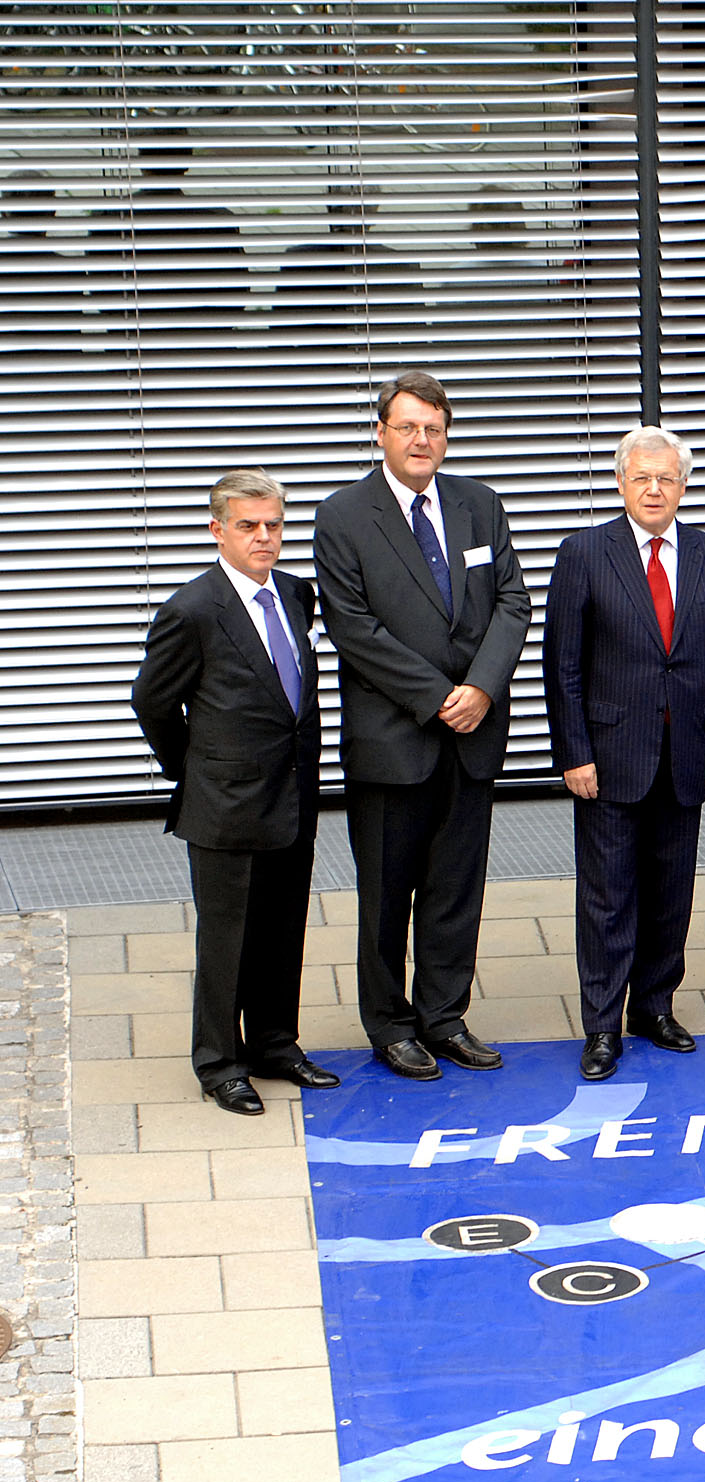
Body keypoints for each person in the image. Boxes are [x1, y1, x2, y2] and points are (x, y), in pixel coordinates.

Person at [313, 371, 531, 1082]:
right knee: (386, 896)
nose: (420, 440)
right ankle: (390, 1025)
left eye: (433, 429)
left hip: (472, 736)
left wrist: (481, 688)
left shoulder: (479, 504)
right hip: (393, 741)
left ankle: (444, 1017)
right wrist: (438, 697)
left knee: (455, 891)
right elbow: (354, 627)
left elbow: (512, 602)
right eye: (407, 427)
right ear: (381, 433)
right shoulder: (343, 515)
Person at [131, 470, 336, 1116]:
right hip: (225, 804)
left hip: (292, 794)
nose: (264, 537)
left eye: (273, 525)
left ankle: (274, 1043)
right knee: (227, 941)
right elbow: (153, 702)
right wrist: (192, 770)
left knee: (282, 928)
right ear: (217, 530)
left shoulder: (296, 594)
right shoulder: (192, 611)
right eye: (248, 526)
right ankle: (220, 1063)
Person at [545, 428, 705, 1080]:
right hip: (608, 757)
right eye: (642, 478)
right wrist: (574, 752)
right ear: (621, 482)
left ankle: (654, 1007)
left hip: (685, 753)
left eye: (666, 478)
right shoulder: (584, 553)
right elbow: (563, 665)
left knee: (670, 893)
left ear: (683, 486)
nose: (654, 489)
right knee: (607, 898)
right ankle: (603, 1025)